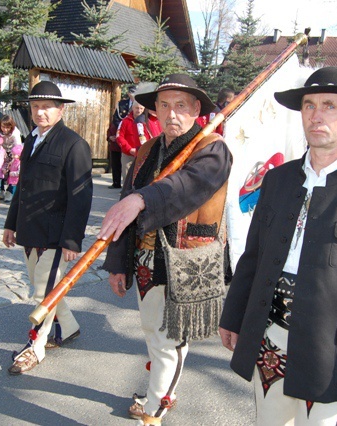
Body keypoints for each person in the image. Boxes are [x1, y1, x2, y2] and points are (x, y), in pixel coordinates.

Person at [219, 67, 337, 425]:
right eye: (309, 106)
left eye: (329, 106)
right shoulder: (277, 179)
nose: (316, 115)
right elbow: (253, 257)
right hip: (270, 335)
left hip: (332, 351)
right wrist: (233, 317)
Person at [99, 73, 232, 425]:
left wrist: (143, 199)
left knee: (167, 339)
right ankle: (159, 389)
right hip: (145, 259)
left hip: (186, 259)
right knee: (154, 332)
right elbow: (125, 208)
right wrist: (117, 265)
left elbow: (186, 187)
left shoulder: (212, 148)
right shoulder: (146, 149)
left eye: (181, 106)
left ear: (196, 109)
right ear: (154, 109)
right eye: (164, 105)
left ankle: (157, 406)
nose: (172, 114)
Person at [3, 81, 93, 375]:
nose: (40, 112)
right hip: (30, 229)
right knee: (44, 287)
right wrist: (10, 224)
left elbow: (81, 197)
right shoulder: (31, 140)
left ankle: (35, 347)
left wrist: (71, 240)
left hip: (55, 233)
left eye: (47, 107)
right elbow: (22, 187)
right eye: (35, 107)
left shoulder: (74, 144)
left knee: (43, 290)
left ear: (60, 109)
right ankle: (67, 327)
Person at [107, 87, 134, 189]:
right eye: (131, 93)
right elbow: (116, 119)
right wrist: (123, 128)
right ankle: (117, 183)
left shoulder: (140, 103)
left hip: (134, 136)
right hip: (122, 134)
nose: (133, 95)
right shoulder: (122, 104)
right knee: (118, 162)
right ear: (128, 93)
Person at [117, 101, 150, 184]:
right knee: (127, 177)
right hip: (128, 154)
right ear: (132, 108)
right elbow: (119, 137)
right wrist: (129, 149)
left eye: (141, 108)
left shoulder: (147, 122)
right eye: (137, 108)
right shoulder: (125, 121)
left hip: (143, 154)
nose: (139, 110)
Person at [0, 115, 22, 202]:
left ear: (11, 127)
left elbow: (18, 147)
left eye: (7, 127)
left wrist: (14, 159)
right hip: (0, 150)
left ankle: (10, 191)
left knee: (13, 172)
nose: (5, 129)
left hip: (12, 152)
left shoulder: (15, 132)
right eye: (3, 127)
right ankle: (0, 190)